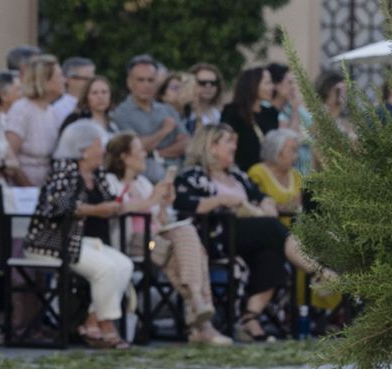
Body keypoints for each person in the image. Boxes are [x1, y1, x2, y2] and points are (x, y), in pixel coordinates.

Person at [173, 124, 329, 342]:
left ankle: (249, 318)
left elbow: (259, 195)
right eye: (229, 141)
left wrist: (266, 203)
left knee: (272, 253)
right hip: (216, 235)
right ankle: (318, 271)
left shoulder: (236, 175)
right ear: (211, 145)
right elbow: (183, 204)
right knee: (269, 228)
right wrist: (221, 200)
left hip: (247, 235)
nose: (235, 146)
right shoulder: (192, 176)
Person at [102, 132, 225, 344]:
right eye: (139, 150)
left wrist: (165, 203)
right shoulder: (110, 181)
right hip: (131, 241)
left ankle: (197, 304)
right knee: (188, 248)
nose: (144, 154)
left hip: (158, 242)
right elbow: (116, 209)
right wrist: (152, 200)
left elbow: (161, 219)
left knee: (185, 236)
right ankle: (201, 318)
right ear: (124, 156)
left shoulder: (143, 183)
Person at [25, 120, 133, 349]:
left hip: (87, 242)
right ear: (82, 149)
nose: (102, 150)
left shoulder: (98, 175)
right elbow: (58, 206)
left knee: (124, 265)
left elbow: (107, 202)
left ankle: (91, 320)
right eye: (97, 145)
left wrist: (114, 207)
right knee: (106, 269)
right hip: (55, 242)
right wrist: (97, 210)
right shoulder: (63, 171)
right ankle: (106, 325)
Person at [109, 54, 187, 182]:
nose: (146, 85)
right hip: (145, 180)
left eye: (151, 80)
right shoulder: (121, 114)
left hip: (177, 175)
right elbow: (135, 147)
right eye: (141, 80)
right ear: (129, 82)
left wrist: (157, 153)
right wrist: (164, 132)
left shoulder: (167, 109)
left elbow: (185, 142)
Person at [3, 53, 64, 186]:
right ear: (45, 81)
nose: (64, 81)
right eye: (59, 76)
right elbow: (10, 155)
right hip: (22, 191)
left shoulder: (52, 111)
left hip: (44, 188)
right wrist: (28, 188)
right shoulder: (22, 109)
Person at [220, 66, 276, 170]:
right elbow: (228, 142)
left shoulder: (270, 113)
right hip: (243, 172)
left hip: (268, 174)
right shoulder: (233, 112)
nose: (272, 87)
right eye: (267, 83)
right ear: (253, 84)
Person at [247, 128, 304, 215]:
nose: (295, 157)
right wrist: (288, 206)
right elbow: (255, 205)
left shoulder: (296, 175)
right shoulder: (257, 173)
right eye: (292, 150)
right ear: (276, 151)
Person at [58, 73, 119, 138]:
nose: (100, 97)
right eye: (94, 93)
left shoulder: (115, 121)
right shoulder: (75, 120)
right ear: (86, 97)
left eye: (104, 92)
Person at [53, 57, 95, 125]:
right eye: (87, 79)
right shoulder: (58, 110)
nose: (93, 83)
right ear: (69, 79)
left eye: (93, 79)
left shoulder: (96, 104)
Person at [188, 63, 224, 128]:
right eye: (202, 83)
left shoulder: (219, 113)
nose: (208, 86)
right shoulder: (184, 112)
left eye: (213, 83)